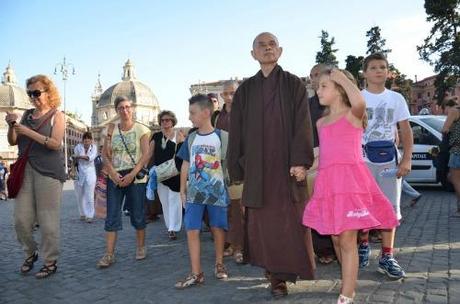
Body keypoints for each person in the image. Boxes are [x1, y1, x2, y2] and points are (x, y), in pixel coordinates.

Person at [228, 32, 316, 297]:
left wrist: (301, 161)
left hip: (287, 168)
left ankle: (281, 276)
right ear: (253, 54)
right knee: (262, 226)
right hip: (257, 168)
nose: (267, 49)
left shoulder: (293, 85)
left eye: (272, 45)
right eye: (261, 46)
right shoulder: (245, 90)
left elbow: (303, 124)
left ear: (280, 51)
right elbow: (237, 131)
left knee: (289, 224)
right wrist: (238, 168)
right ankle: (272, 273)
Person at [302, 68, 399, 303]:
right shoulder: (321, 122)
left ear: (340, 89)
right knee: (336, 238)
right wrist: (305, 168)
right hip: (329, 184)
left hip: (351, 183)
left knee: (346, 239)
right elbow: (324, 154)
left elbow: (359, 100)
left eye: (325, 85)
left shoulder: (353, 114)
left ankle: (347, 292)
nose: (318, 89)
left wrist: (339, 75)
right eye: (318, 85)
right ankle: (348, 280)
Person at [358, 53, 413, 279]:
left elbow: (406, 130)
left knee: (390, 209)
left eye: (383, 67)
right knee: (362, 206)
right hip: (362, 160)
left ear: (388, 72)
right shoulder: (358, 98)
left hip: (388, 160)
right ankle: (362, 246)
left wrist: (407, 158)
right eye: (373, 67)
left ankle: (387, 256)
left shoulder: (396, 98)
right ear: (365, 73)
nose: (378, 70)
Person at [5, 74, 66, 279]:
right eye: (30, 93)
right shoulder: (26, 116)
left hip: (49, 172)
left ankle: (50, 261)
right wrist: (13, 126)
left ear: (48, 93)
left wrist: (28, 132)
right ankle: (30, 253)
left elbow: (55, 144)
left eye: (37, 92)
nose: (33, 97)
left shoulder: (58, 115)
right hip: (25, 170)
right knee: (21, 220)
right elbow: (13, 141)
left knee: (48, 221)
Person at [175, 94, 230, 289]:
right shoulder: (191, 138)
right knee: (191, 229)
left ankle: (219, 264)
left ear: (206, 113)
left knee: (217, 227)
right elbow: (185, 165)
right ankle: (196, 272)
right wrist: (182, 189)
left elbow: (228, 164)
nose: (190, 117)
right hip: (194, 194)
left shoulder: (222, 137)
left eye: (192, 113)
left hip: (216, 191)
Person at [97, 96, 150, 268]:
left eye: (128, 107)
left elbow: (145, 155)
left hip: (135, 176)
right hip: (115, 175)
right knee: (112, 214)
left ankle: (141, 247)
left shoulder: (141, 129)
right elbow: (104, 154)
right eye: (121, 108)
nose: (125, 110)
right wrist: (112, 172)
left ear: (132, 108)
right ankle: (109, 254)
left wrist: (132, 175)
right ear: (116, 110)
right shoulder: (110, 130)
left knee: (138, 213)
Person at [307, 63, 337, 265]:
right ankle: (322, 248)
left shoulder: (340, 103)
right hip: (313, 159)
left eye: (318, 74)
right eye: (312, 75)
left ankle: (342, 249)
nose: (315, 78)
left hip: (337, 161)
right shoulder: (305, 104)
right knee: (316, 206)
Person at [213, 80, 245, 264]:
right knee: (227, 209)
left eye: (233, 92)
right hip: (222, 168)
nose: (229, 96)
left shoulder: (247, 113)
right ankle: (232, 243)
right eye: (226, 93)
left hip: (242, 166)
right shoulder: (218, 117)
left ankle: (240, 246)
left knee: (239, 209)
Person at [148, 110, 184, 240]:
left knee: (175, 201)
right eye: (162, 120)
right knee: (165, 202)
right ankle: (169, 225)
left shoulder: (178, 135)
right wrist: (142, 168)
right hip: (160, 174)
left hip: (175, 174)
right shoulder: (155, 136)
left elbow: (183, 154)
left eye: (168, 120)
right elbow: (149, 154)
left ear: (172, 121)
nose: (165, 122)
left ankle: (173, 228)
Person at [73, 132, 98, 223]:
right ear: (82, 140)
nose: (86, 140)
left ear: (91, 140)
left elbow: (90, 158)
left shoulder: (94, 148)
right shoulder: (78, 147)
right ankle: (82, 213)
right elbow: (74, 159)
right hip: (80, 173)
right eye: (85, 139)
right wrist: (75, 158)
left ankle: (90, 215)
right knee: (80, 195)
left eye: (88, 139)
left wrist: (78, 157)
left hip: (90, 173)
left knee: (90, 195)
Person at [441, 97, 460, 214]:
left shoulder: (454, 111)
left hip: (457, 150)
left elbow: (445, 129)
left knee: (455, 180)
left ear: (447, 106)